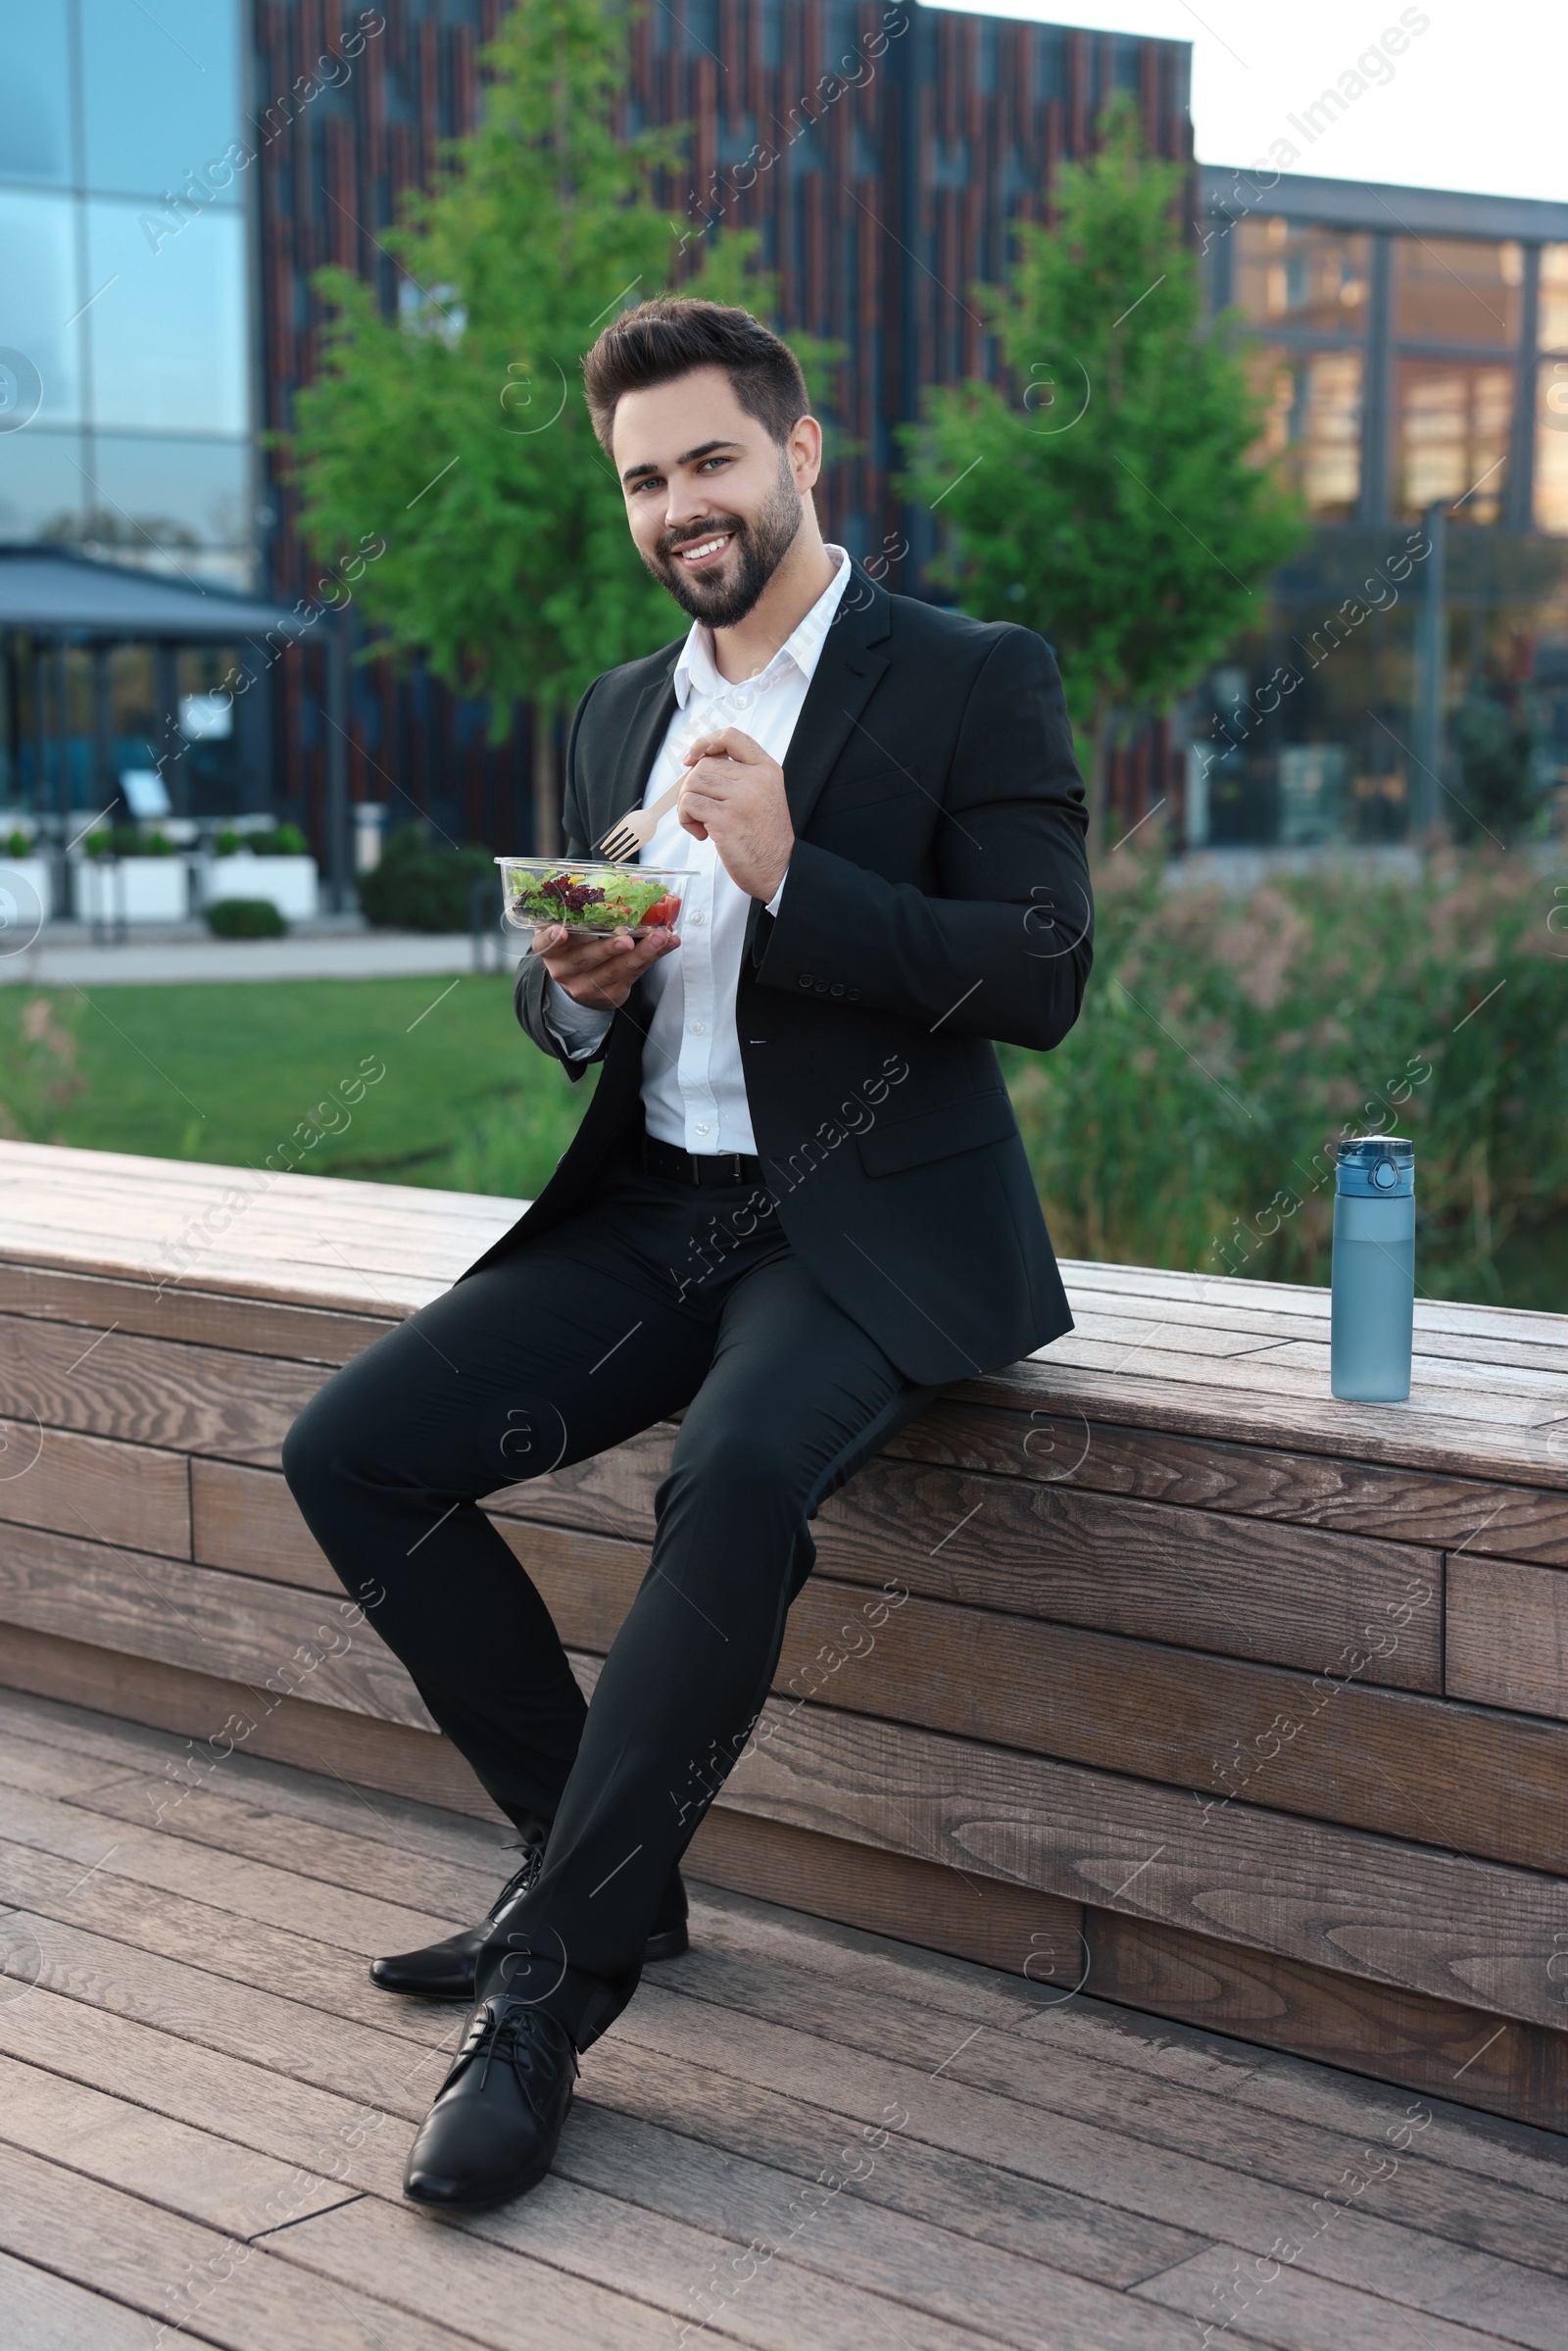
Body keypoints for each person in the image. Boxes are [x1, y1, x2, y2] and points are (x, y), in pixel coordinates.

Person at [281, 295, 1093, 2211]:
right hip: (654, 1199)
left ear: (802, 456)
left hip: (859, 1215)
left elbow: (1041, 974)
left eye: (709, 459)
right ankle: (603, 1875)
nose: (677, 505)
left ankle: (544, 2001)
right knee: (351, 1452)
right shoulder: (613, 709)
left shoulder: (971, 675)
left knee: (730, 1478)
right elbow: (591, 1006)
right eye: (643, 478)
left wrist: (796, 876)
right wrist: (573, 987)